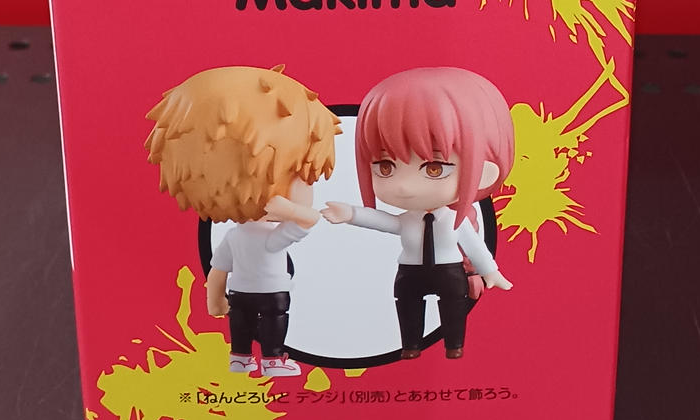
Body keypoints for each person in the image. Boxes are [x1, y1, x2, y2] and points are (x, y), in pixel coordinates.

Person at [146, 65, 340, 377]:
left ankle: (240, 357)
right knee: (274, 322)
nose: (307, 187)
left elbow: (218, 270)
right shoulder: (270, 238)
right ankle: (272, 359)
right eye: (303, 178)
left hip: (239, 293)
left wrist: (215, 302)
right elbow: (309, 220)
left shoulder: (234, 237)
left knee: (241, 324)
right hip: (271, 291)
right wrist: (290, 209)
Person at [322, 67, 514, 359]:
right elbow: (386, 222)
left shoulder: (454, 220)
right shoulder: (409, 219)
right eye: (386, 167)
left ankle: (454, 345)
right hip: (410, 271)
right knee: (408, 306)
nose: (404, 186)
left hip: (449, 271)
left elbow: (474, 245)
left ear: (485, 171)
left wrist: (490, 271)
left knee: (452, 307)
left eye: (434, 168)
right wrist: (350, 213)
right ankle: (410, 345)